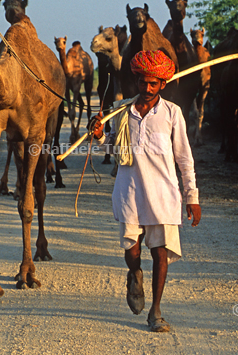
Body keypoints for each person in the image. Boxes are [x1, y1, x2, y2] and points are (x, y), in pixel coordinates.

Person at [91, 50, 201, 333]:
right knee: (132, 249)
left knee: (160, 253)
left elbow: (184, 158)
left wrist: (192, 197)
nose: (148, 88)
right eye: (143, 82)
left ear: (163, 84)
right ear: (137, 80)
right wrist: (100, 134)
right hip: (128, 190)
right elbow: (112, 150)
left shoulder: (173, 114)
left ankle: (156, 311)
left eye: (154, 83)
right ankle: (134, 272)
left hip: (163, 193)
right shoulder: (121, 111)